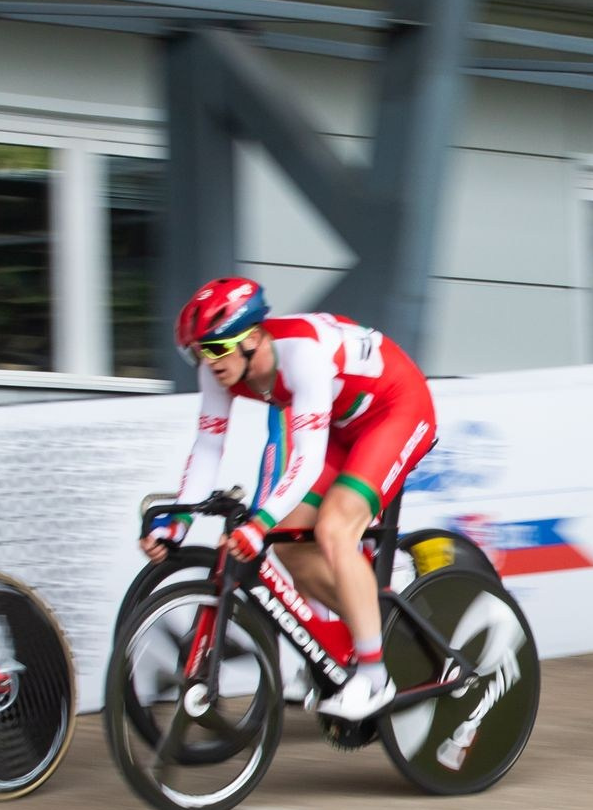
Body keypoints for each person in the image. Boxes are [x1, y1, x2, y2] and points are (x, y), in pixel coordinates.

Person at [147, 278, 439, 722]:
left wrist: (257, 522)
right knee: (286, 541)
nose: (209, 361)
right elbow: (208, 448)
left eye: (219, 348)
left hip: (396, 408)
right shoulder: (219, 368)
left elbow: (305, 460)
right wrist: (176, 524)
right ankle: (371, 625)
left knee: (335, 528)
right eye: (201, 351)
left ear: (253, 339)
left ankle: (375, 676)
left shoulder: (303, 355)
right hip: (345, 422)